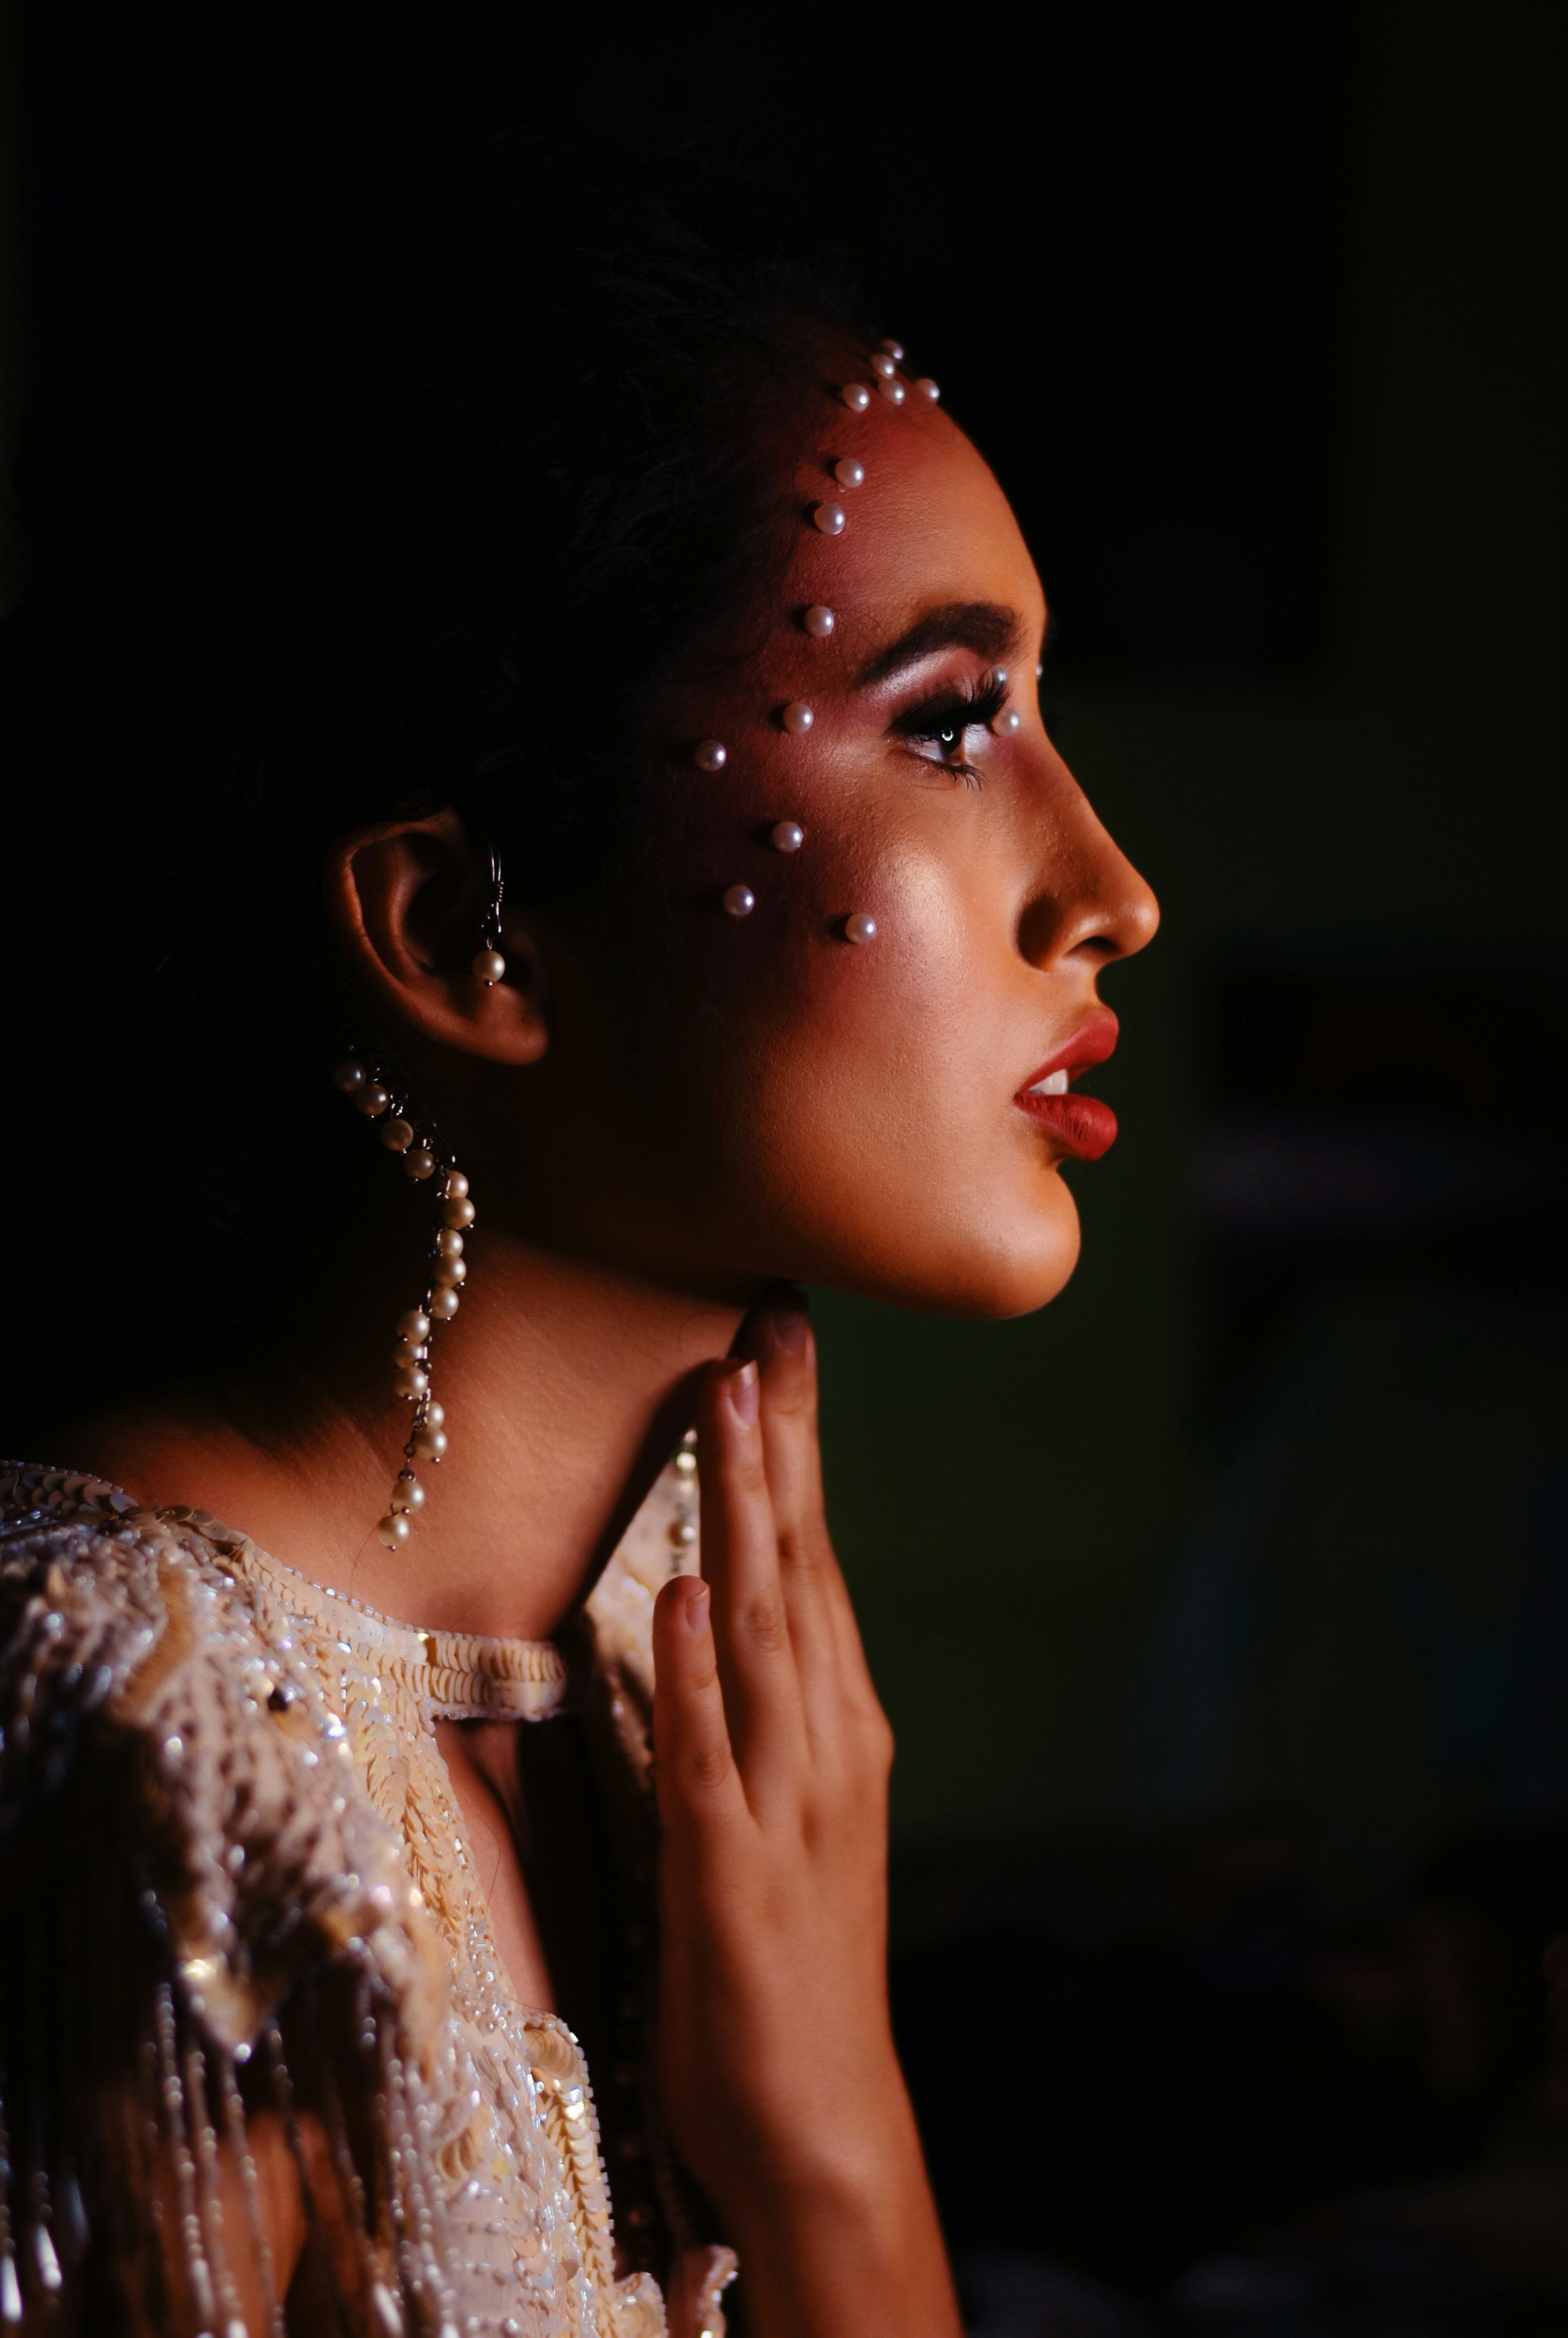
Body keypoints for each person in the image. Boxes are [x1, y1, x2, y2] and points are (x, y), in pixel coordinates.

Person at [0, 125, 1157, 2338]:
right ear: (468, 932)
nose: (1112, 891)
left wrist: (832, 2134)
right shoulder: (124, 1725)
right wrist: (838, 2167)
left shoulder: (670, 1650)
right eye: (949, 725)